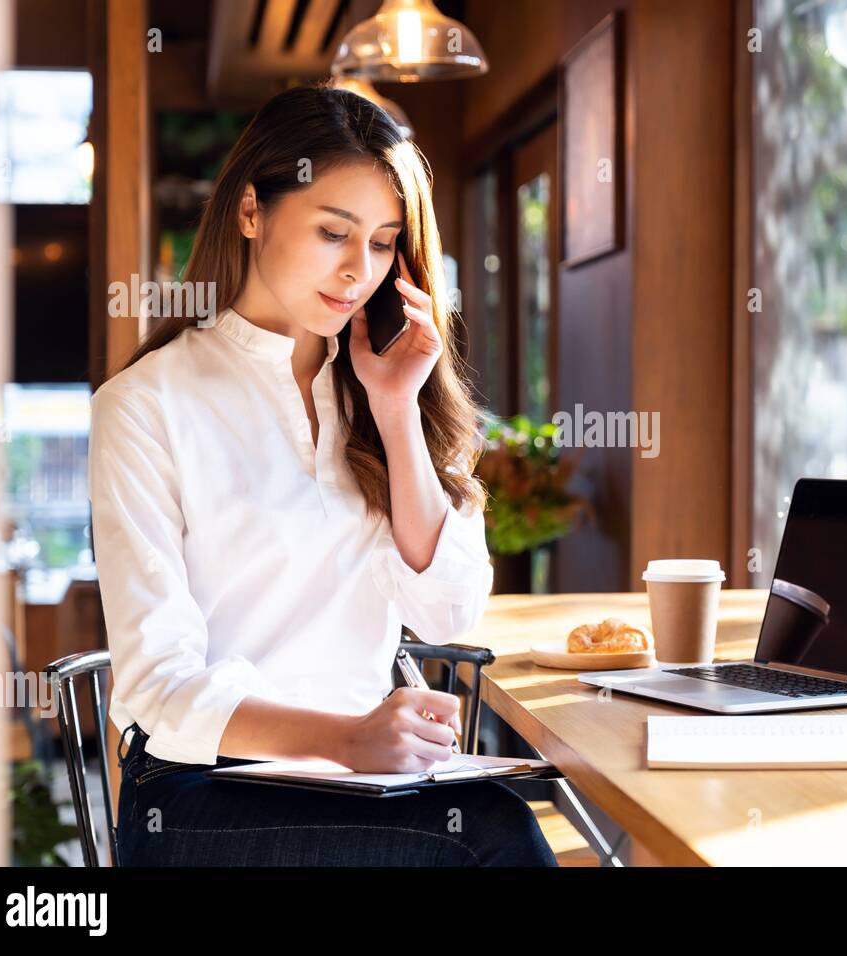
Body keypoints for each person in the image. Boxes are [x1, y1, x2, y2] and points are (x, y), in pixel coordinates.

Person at [89, 82, 557, 866]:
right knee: (492, 837)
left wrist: (397, 409)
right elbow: (159, 686)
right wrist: (349, 739)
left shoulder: (386, 387)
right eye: (334, 232)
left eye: (381, 243)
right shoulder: (144, 405)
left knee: (492, 818)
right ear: (250, 212)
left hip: (364, 782)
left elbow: (448, 610)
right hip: (200, 792)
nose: (357, 271)